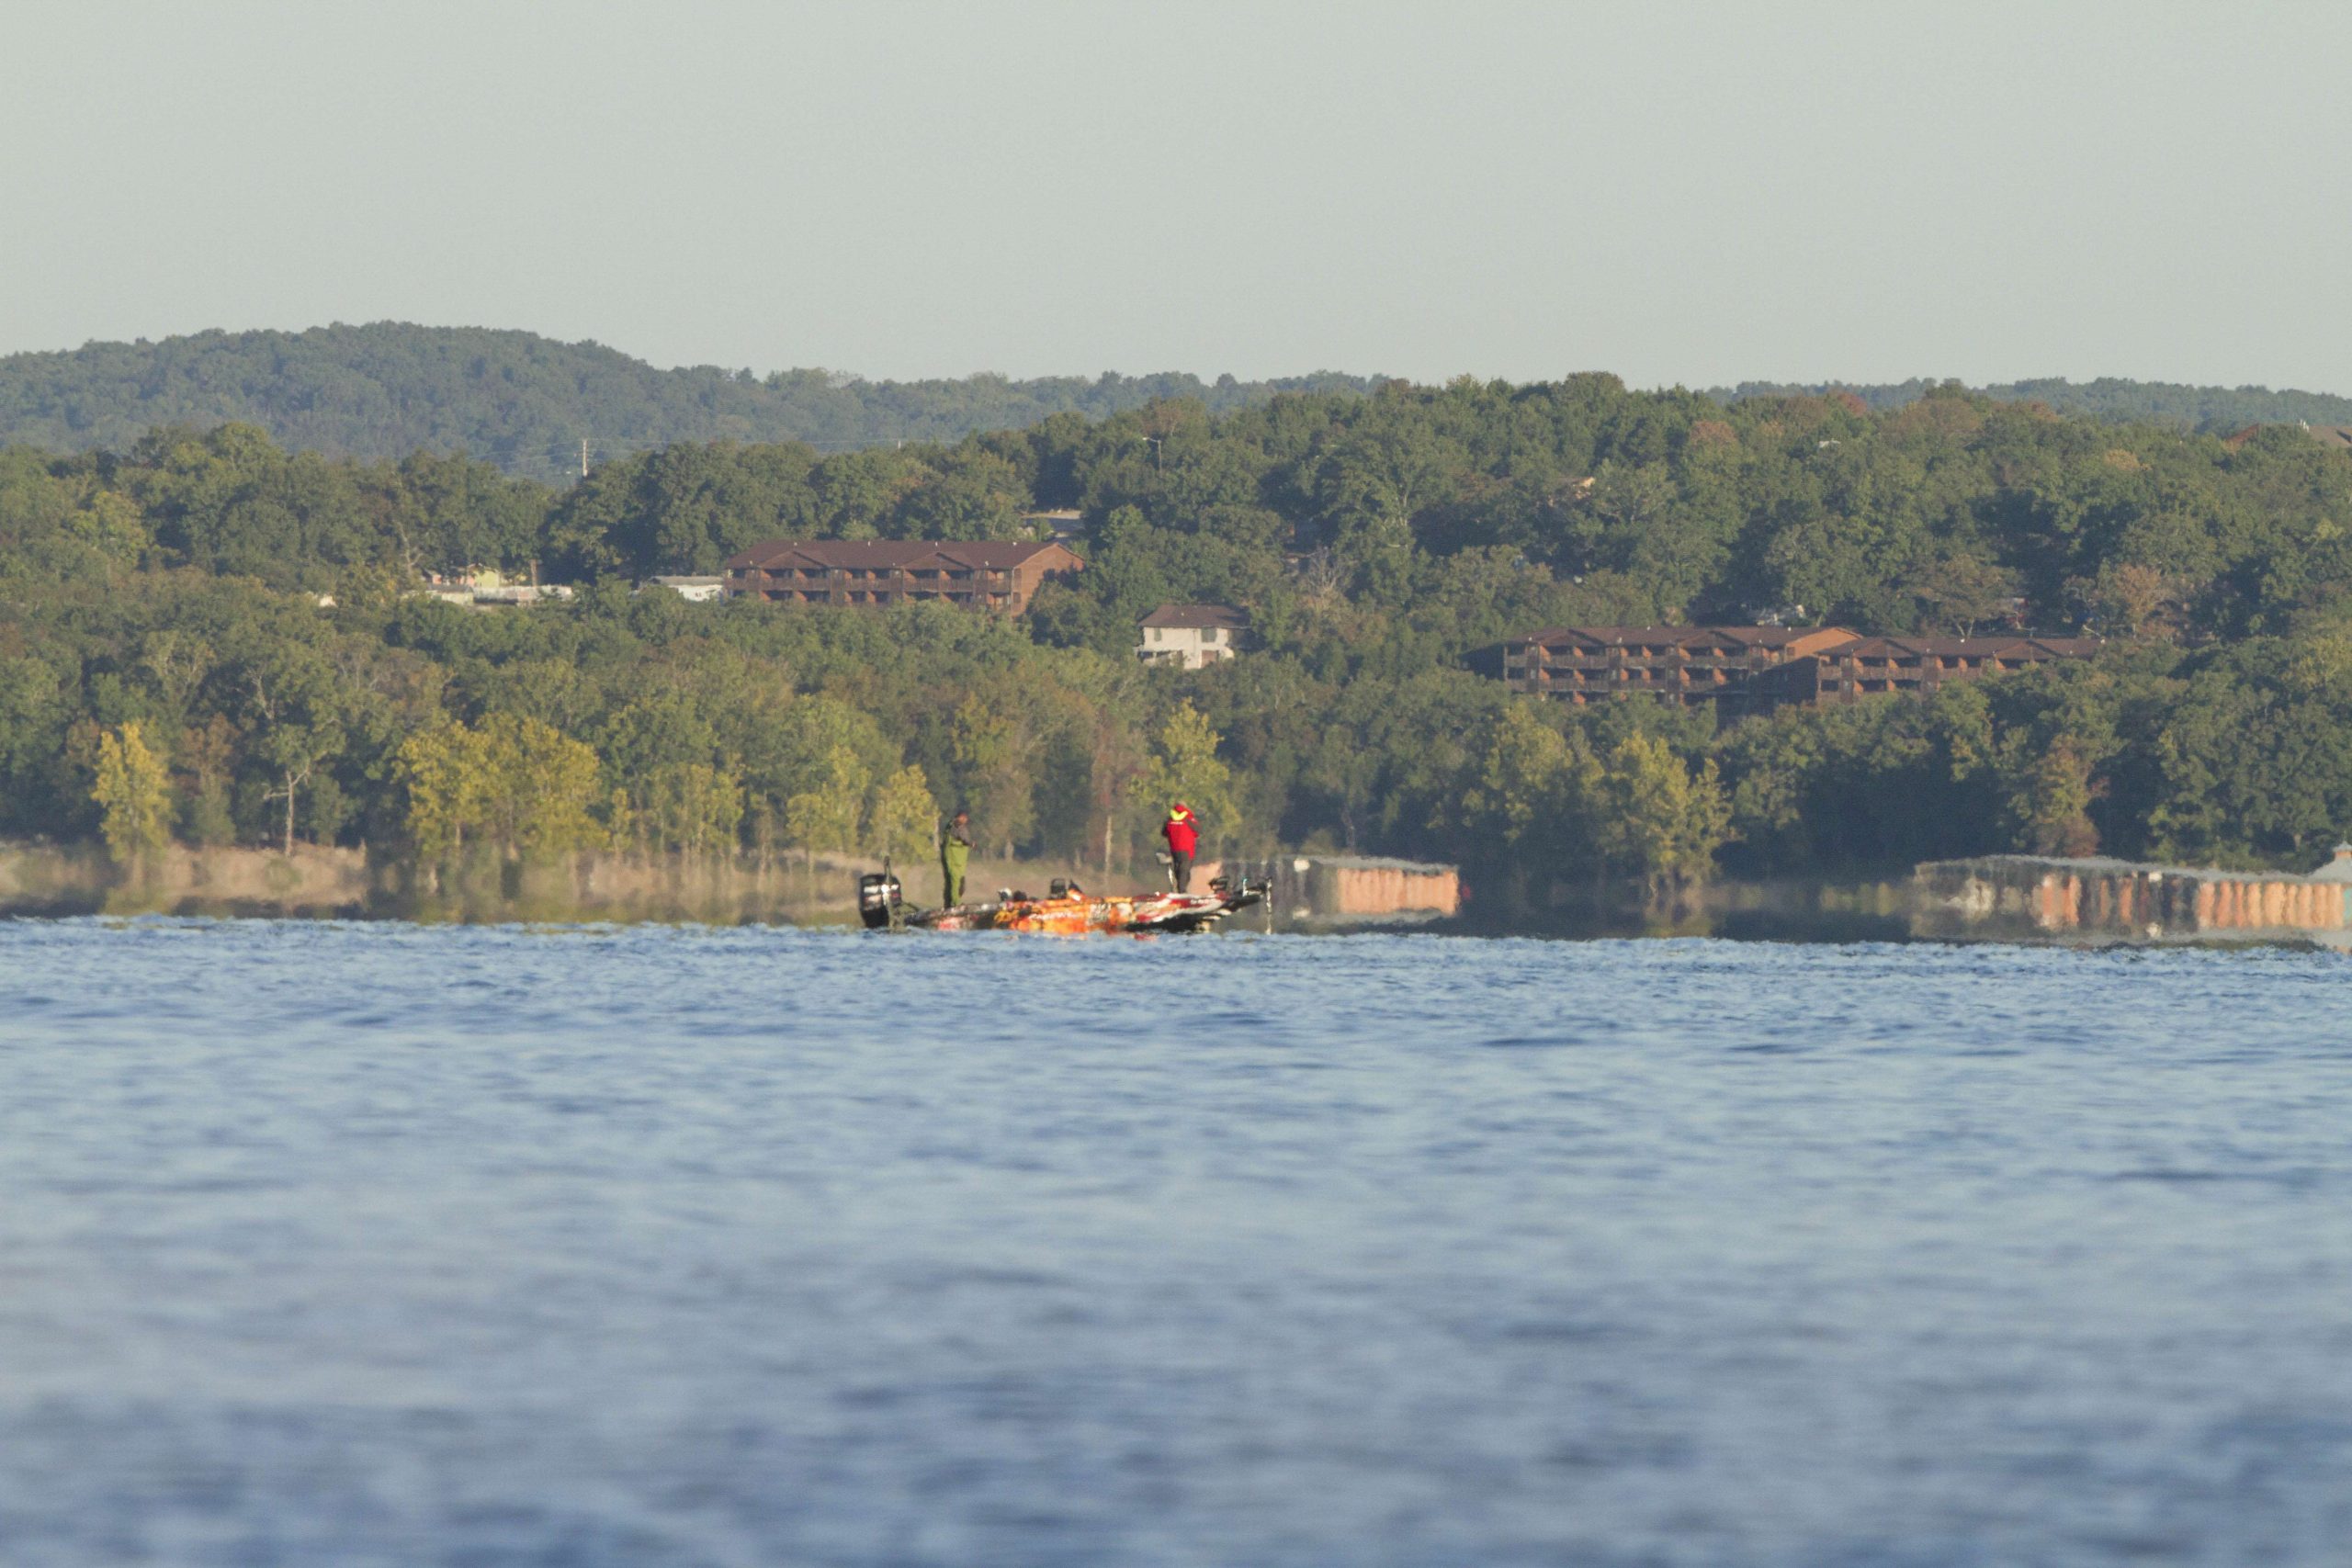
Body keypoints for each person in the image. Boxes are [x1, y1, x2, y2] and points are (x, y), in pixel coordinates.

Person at [1161, 801, 1198, 893]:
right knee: (1184, 869)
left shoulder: (1170, 819)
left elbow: (1164, 832)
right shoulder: (1189, 818)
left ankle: (1180, 889)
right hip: (1187, 849)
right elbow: (1197, 831)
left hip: (1174, 848)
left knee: (1178, 867)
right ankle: (1182, 891)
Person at [941, 811, 974, 907]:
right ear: (962, 817)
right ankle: (956, 904)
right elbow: (965, 840)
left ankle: (948, 904)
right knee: (957, 883)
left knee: (949, 883)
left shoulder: (949, 826)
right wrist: (971, 844)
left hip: (948, 858)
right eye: (965, 819)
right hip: (955, 860)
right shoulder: (959, 826)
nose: (966, 821)